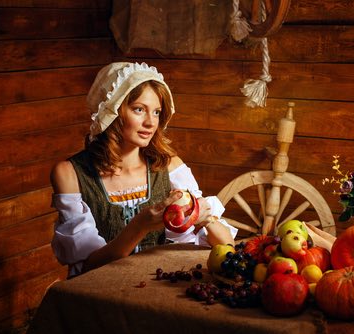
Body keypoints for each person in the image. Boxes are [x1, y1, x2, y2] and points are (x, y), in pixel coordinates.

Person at [50, 62, 237, 277]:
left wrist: (204, 217)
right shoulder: (70, 173)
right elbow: (89, 267)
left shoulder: (169, 166)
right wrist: (140, 226)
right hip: (101, 295)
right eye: (139, 109)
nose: (150, 122)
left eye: (156, 112)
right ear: (112, 111)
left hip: (156, 289)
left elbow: (226, 244)